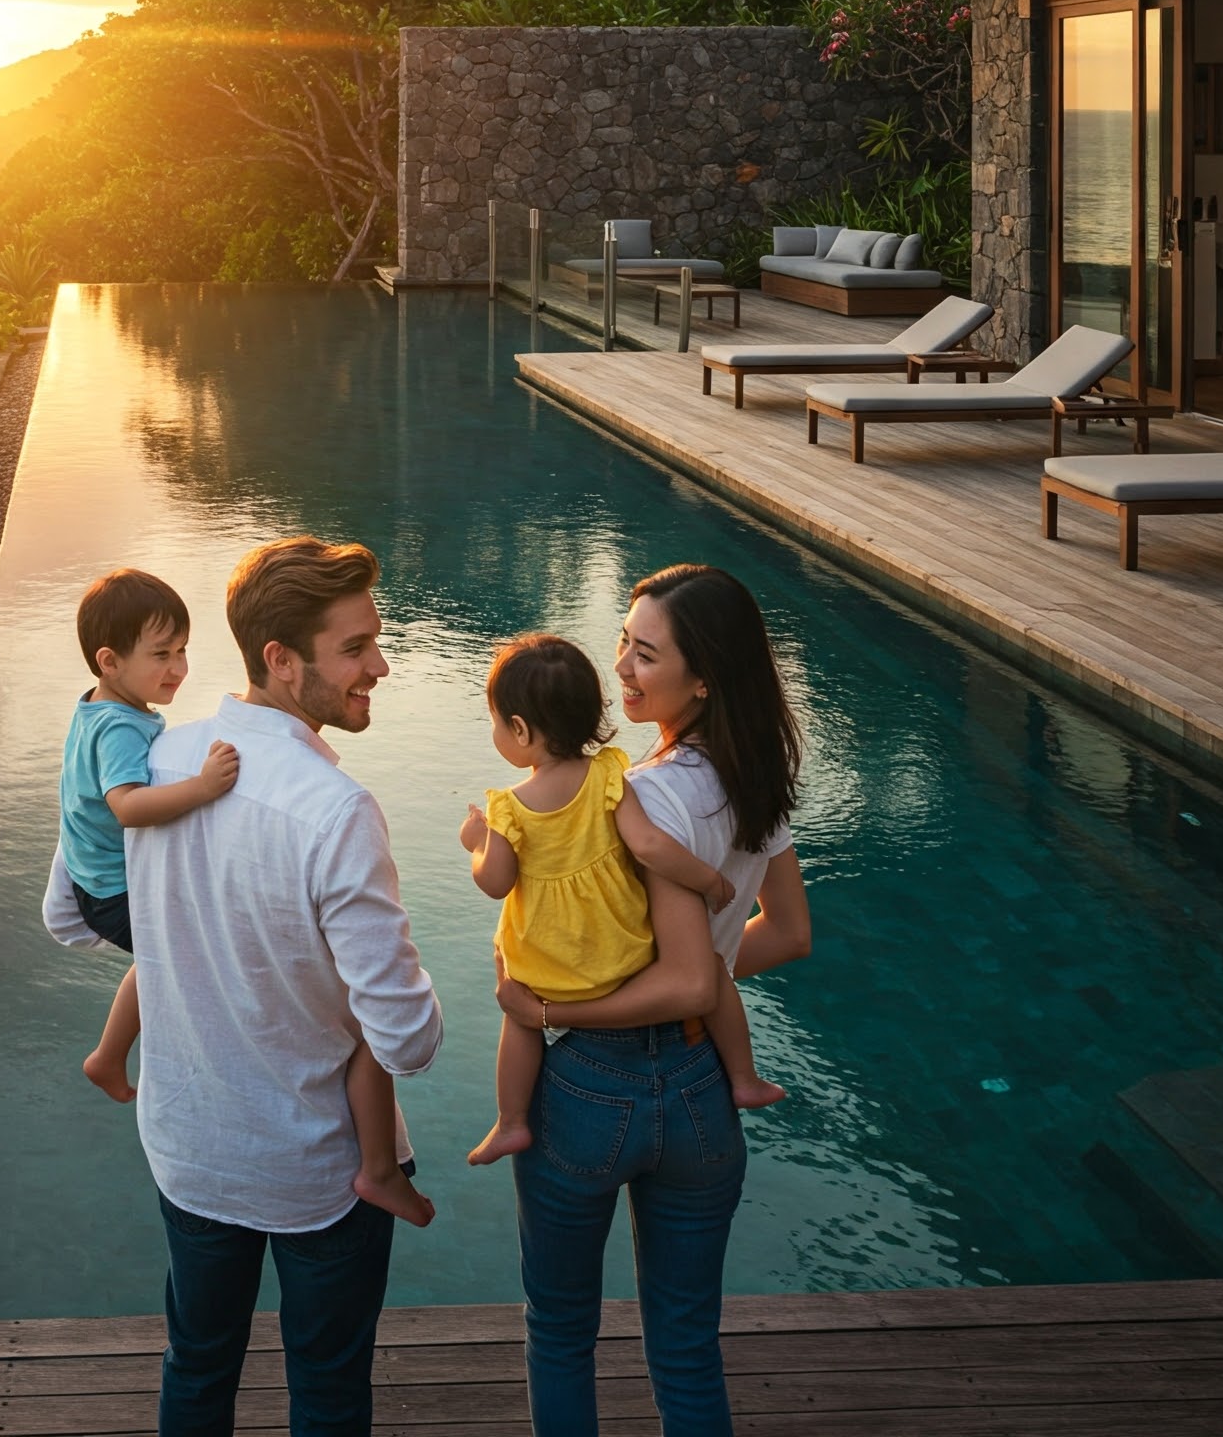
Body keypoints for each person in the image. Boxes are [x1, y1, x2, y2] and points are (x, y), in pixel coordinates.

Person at [127, 537, 443, 1437]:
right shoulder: (336, 811)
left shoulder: (152, 761)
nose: (379, 666)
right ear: (280, 658)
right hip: (323, 1169)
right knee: (329, 1388)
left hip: (190, 1146)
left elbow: (70, 915)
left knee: (196, 1365)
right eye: (355, 649)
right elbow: (408, 1043)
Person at [496, 564, 813, 1437]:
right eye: (623, 647)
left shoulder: (653, 793)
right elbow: (783, 935)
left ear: (702, 677)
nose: (623, 672)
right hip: (704, 1094)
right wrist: (706, 972)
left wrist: (554, 1014)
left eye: (645, 655)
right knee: (685, 1344)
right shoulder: (756, 781)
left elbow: (682, 979)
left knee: (560, 1333)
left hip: (599, 1086)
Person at [458, 633, 777, 1168]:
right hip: (625, 957)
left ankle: (511, 1122)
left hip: (550, 971)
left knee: (518, 1013)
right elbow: (651, 846)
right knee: (714, 968)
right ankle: (743, 1079)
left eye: (496, 722)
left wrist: (478, 842)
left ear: (519, 729)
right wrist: (710, 881)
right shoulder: (610, 773)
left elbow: (494, 882)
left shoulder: (508, 809)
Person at [57, 568, 239, 1102]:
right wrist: (204, 787)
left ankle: (108, 1058)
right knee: (192, 956)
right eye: (161, 655)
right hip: (114, 894)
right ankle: (119, 1058)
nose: (179, 669)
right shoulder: (119, 727)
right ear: (109, 662)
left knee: (161, 958)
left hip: (95, 880)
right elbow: (128, 807)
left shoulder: (98, 704)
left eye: (182, 651)